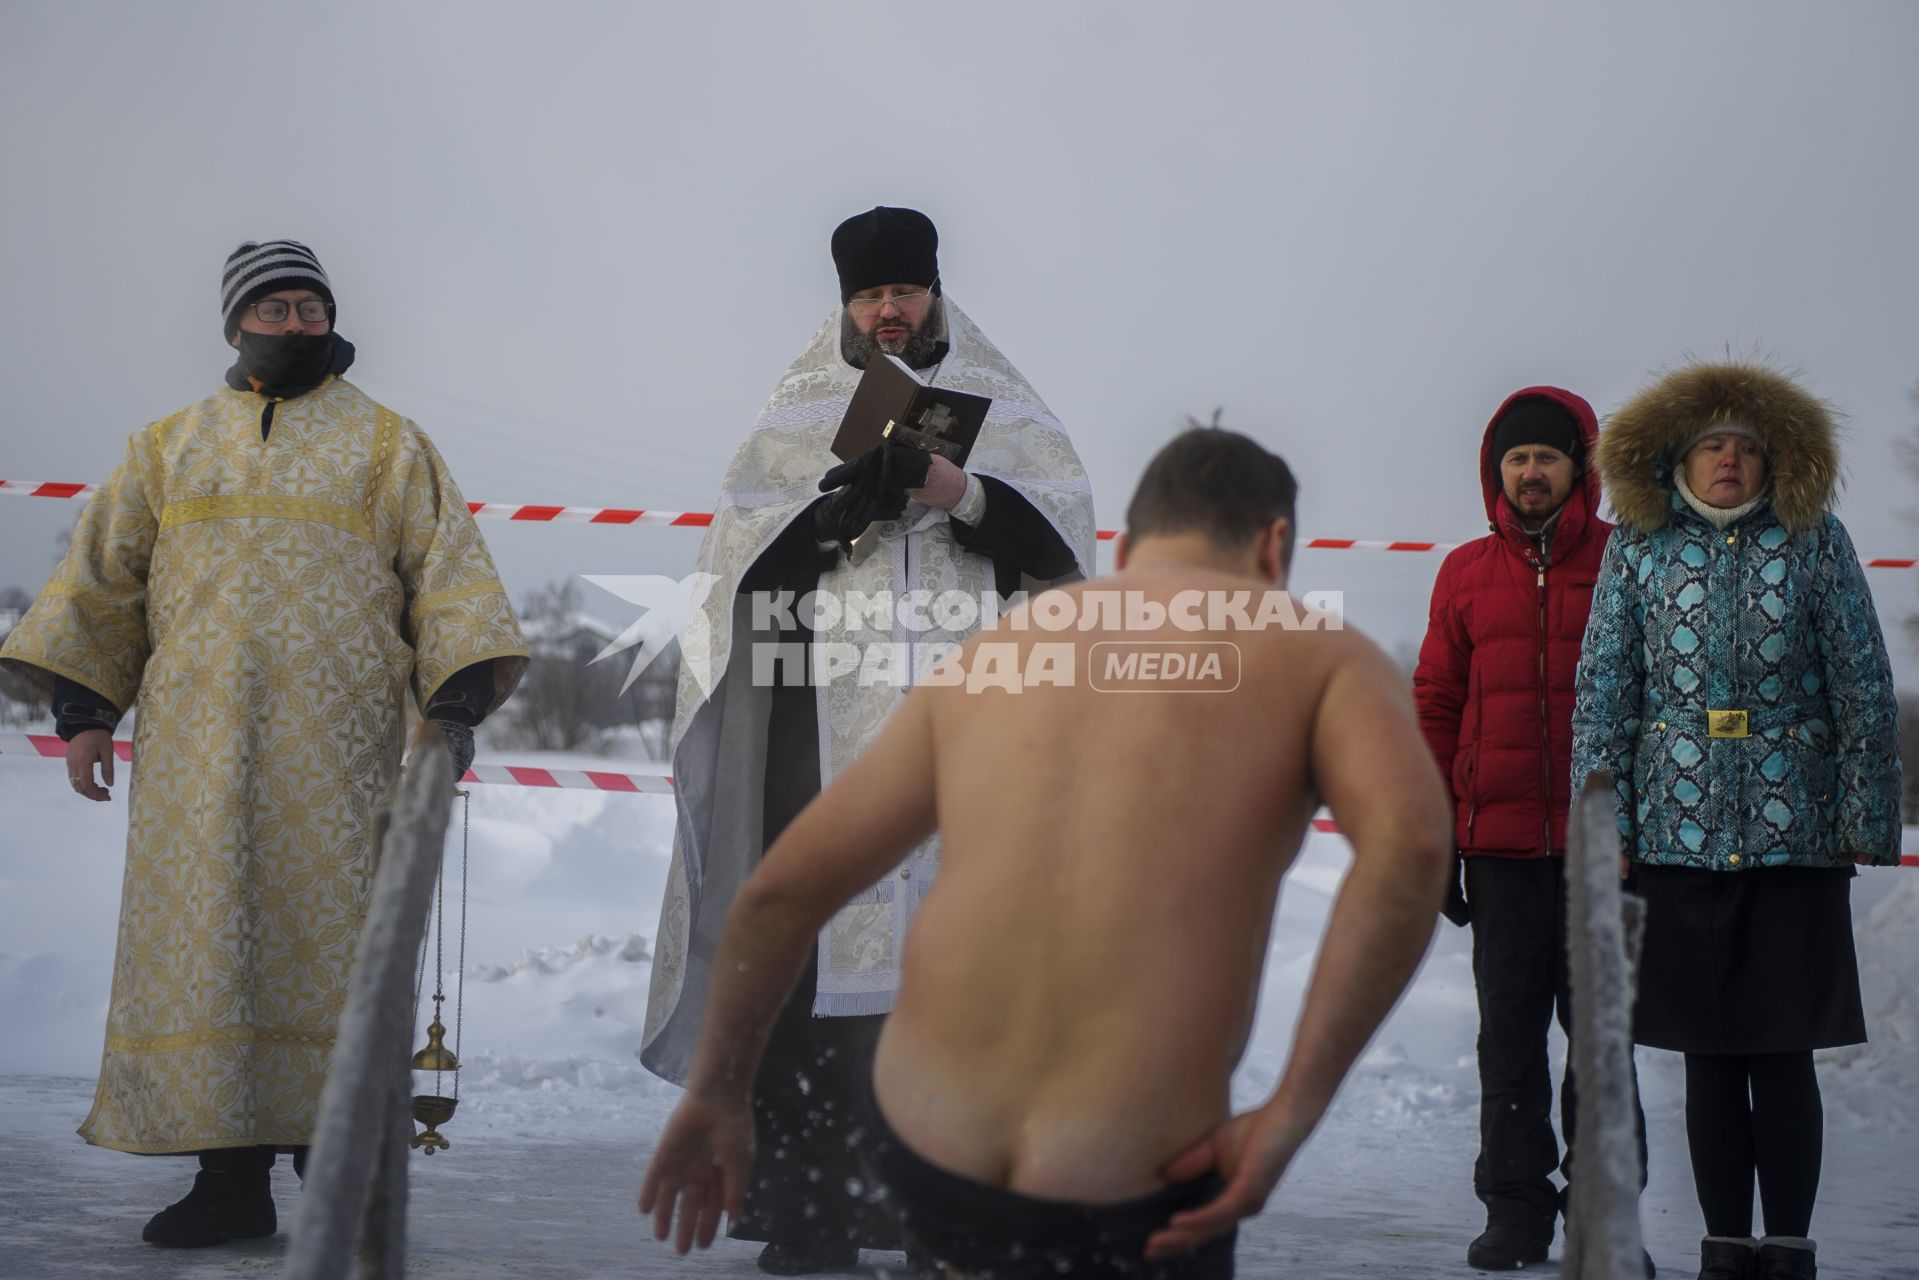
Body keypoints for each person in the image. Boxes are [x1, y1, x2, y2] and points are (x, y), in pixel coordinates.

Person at [639, 426, 1453, 1279]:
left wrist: (719, 1092)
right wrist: (1292, 1108)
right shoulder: (1315, 655)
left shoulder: (990, 657)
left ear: (1131, 547)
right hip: (1129, 1176)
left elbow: (780, 896)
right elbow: (1410, 847)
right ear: (1276, 546)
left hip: (930, 1161)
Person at [0, 239, 527, 1247]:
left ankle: (342, 1176)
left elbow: (450, 576)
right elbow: (102, 583)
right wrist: (84, 715)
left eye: (310, 308)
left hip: (346, 758)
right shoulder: (168, 445)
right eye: (275, 308)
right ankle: (227, 1184)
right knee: (213, 955)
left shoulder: (388, 444)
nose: (296, 325)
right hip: (199, 762)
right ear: (238, 322)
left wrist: (452, 704)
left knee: (341, 960)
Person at [639, 207, 1096, 1275]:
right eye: (868, 295)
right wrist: (835, 521)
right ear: (844, 303)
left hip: (973, 746)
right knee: (814, 971)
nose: (888, 309)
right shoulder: (794, 415)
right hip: (818, 737)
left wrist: (959, 490)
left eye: (904, 291)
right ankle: (812, 1209)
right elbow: (737, 582)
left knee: (951, 976)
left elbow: (1065, 557)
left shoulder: (1012, 410)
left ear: (934, 293)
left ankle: (934, 1203)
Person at [1572, 362, 1900, 1280]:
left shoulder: (1814, 543)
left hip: (1791, 841)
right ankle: (1722, 1244)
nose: (1728, 460)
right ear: (1677, 457)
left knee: (1781, 1054)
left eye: (1746, 447)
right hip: (1676, 844)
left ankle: (1787, 1244)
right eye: (1712, 443)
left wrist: (1860, 816)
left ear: (1774, 462)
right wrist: (1606, 831)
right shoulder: (1637, 551)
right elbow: (1604, 697)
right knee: (1708, 1059)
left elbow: (1862, 685)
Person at [1413, 387, 1652, 1271]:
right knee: (1507, 1042)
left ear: (1578, 467)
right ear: (1496, 472)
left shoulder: (1631, 561)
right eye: (1515, 459)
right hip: (1501, 849)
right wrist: (1437, 837)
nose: (1529, 471)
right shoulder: (1463, 571)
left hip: (1606, 852)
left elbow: (1660, 697)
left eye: (1545, 456)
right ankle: (1513, 1210)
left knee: (1601, 1047)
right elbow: (1435, 704)